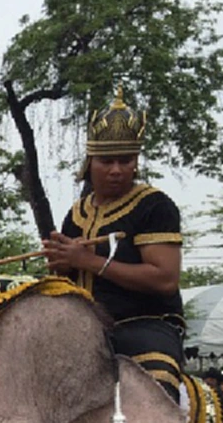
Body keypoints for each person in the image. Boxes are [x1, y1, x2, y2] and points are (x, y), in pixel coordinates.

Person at [43, 87, 185, 401]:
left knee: (153, 390)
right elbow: (68, 281)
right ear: (90, 162)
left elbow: (165, 279)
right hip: (83, 331)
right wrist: (62, 267)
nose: (117, 170)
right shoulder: (76, 215)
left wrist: (89, 262)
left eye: (126, 160)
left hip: (144, 326)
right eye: (107, 161)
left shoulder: (154, 206)